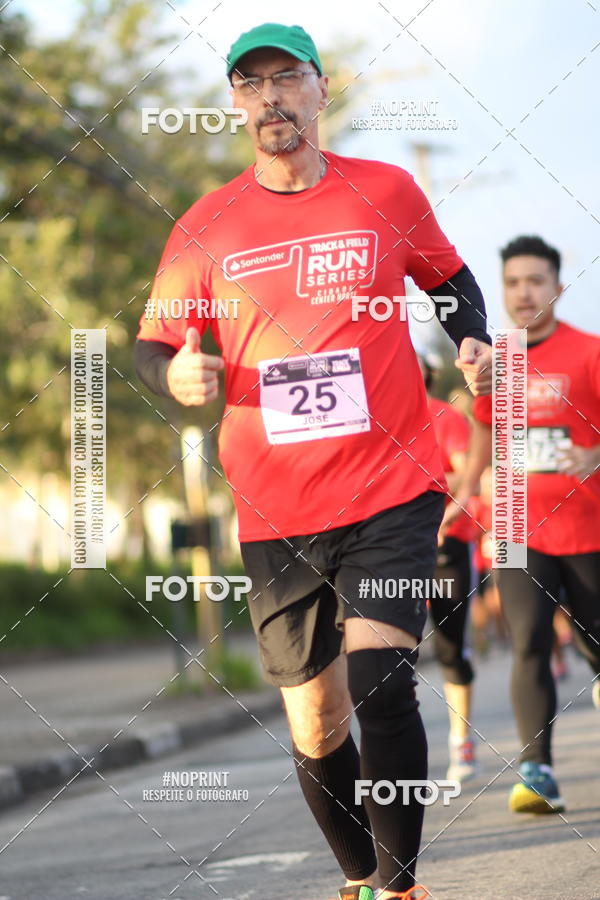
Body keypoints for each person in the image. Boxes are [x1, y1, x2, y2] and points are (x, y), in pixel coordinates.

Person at [133, 22, 492, 898]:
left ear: (321, 89)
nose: (271, 100)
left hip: (392, 486)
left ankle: (401, 887)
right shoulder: (205, 224)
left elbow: (450, 280)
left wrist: (472, 336)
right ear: (235, 103)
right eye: (251, 86)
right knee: (318, 716)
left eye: (286, 80)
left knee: (380, 682)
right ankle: (361, 876)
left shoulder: (387, 191)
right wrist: (176, 371)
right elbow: (151, 345)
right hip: (275, 507)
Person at [444, 235, 600, 815]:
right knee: (529, 640)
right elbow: (484, 433)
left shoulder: (590, 352)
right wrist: (462, 493)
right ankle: (536, 770)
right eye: (512, 282)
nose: (523, 291)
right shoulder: (495, 357)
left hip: (589, 527)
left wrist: (595, 456)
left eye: (535, 280)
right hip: (513, 521)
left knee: (593, 642)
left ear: (557, 287)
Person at [416, 352, 478, 782]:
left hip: (445, 545)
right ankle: (397, 750)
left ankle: (462, 744)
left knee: (450, 648)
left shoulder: (442, 416)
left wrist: (421, 487)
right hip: (389, 553)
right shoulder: (368, 418)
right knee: (387, 654)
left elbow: (465, 474)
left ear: (426, 373)